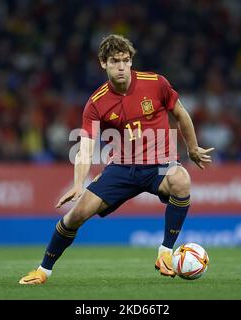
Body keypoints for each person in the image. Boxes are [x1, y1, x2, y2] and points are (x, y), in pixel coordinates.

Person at [19, 34, 214, 284]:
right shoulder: (96, 103)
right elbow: (86, 148)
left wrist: (193, 148)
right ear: (103, 63)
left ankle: (165, 252)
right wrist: (79, 183)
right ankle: (43, 271)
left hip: (160, 163)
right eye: (114, 61)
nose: (121, 66)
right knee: (75, 216)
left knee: (181, 179)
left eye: (125, 60)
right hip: (122, 167)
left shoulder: (156, 83)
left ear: (131, 61)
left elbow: (181, 113)